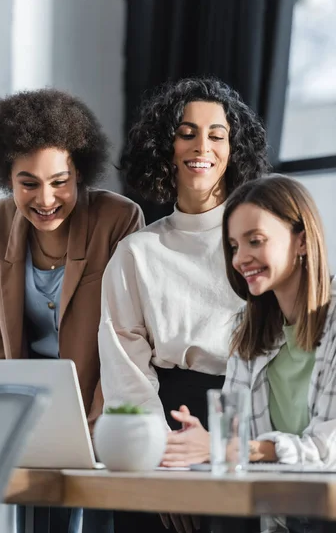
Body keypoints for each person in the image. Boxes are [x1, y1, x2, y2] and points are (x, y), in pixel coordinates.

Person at [98, 76, 271, 532]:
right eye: (187, 132)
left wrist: (229, 443)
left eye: (217, 135)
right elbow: (124, 371)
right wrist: (159, 460)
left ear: (234, 150)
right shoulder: (136, 253)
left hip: (244, 420)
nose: (202, 147)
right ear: (166, 146)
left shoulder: (261, 245)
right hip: (159, 424)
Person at [0, 88, 144, 533]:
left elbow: (126, 342)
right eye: (28, 183)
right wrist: (0, 424)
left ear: (81, 174)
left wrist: (97, 430)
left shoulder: (118, 218)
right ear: (6, 179)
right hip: (31, 418)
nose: (45, 198)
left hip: (103, 409)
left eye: (60, 181)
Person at [163, 174, 336, 533]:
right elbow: (235, 441)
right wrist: (202, 445)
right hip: (279, 516)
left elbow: (330, 448)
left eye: (254, 241)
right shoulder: (249, 332)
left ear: (301, 241)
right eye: (233, 246)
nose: (241, 259)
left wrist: (236, 448)